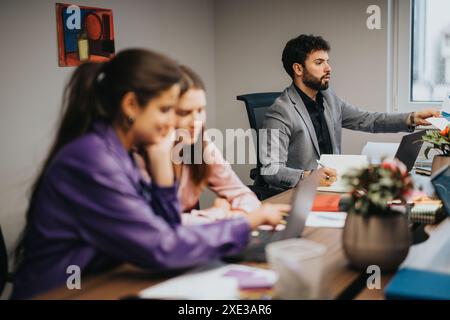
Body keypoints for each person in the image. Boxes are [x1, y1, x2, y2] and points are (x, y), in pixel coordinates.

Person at [12, 49, 288, 299]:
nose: (174, 122)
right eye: (167, 110)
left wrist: (159, 164)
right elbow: (162, 245)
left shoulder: (119, 149)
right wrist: (246, 222)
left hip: (104, 279)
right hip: (63, 291)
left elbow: (165, 228)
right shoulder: (92, 159)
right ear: (131, 106)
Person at [260, 34, 440, 191]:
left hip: (333, 186)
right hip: (301, 193)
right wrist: (308, 176)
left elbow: (368, 120)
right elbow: (270, 169)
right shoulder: (280, 112)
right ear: (298, 69)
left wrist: (411, 118)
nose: (328, 68)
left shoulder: (328, 98)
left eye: (327, 61)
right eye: (319, 62)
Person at [172, 65, 261, 221]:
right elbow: (157, 228)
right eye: (185, 112)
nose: (196, 121)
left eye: (200, 110)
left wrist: (230, 214)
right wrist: (218, 212)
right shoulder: (141, 157)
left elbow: (243, 194)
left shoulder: (200, 143)